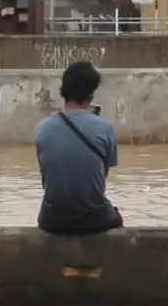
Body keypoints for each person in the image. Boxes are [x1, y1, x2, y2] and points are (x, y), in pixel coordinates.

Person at [34, 58, 123, 234]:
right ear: (91, 95)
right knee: (117, 216)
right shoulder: (105, 128)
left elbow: (47, 173)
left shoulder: (41, 129)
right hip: (94, 219)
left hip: (52, 220)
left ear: (63, 92)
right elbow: (101, 176)